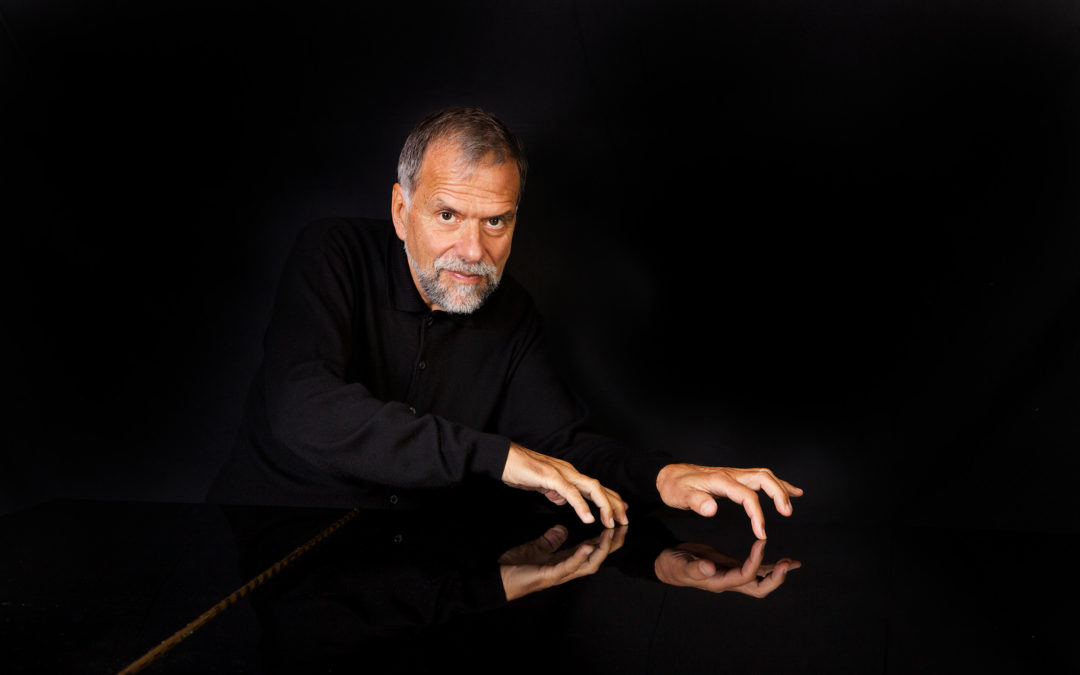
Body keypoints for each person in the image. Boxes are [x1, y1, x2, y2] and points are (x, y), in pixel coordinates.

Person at [208, 106, 802, 538]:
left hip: (417, 568)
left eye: (495, 222)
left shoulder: (511, 309)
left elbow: (560, 447)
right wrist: (496, 457)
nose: (473, 250)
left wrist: (662, 477)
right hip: (268, 540)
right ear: (401, 210)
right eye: (448, 215)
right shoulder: (331, 253)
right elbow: (304, 406)